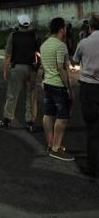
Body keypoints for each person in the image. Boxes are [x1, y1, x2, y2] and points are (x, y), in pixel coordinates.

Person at [40, 17, 74, 161]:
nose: (65, 30)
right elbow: (61, 68)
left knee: (48, 114)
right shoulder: (60, 45)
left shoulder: (44, 45)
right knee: (63, 117)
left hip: (47, 84)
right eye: (65, 28)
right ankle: (56, 148)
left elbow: (45, 67)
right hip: (58, 85)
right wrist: (69, 88)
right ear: (61, 29)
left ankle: (50, 144)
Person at [0, 14, 40, 132]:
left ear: (19, 23)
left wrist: (5, 70)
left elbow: (8, 55)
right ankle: (30, 122)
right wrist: (37, 67)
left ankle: (7, 120)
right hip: (31, 69)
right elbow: (38, 53)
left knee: (12, 95)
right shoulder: (35, 36)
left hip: (17, 68)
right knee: (31, 96)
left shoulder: (13, 36)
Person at [73, 15, 99, 178]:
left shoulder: (84, 43)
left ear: (89, 27)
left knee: (93, 129)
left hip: (89, 89)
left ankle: (93, 167)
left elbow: (75, 60)